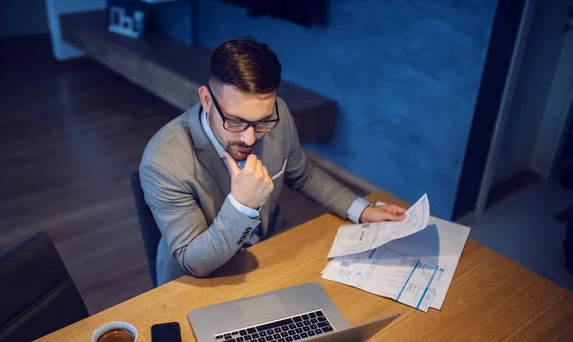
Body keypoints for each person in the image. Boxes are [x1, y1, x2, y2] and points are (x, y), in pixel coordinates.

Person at [140, 37, 406, 285]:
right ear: (207, 100)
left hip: (271, 245)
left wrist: (361, 209)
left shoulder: (278, 114)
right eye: (235, 121)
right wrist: (242, 205)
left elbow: (303, 174)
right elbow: (193, 260)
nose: (249, 138)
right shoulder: (162, 162)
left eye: (262, 122)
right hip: (202, 276)